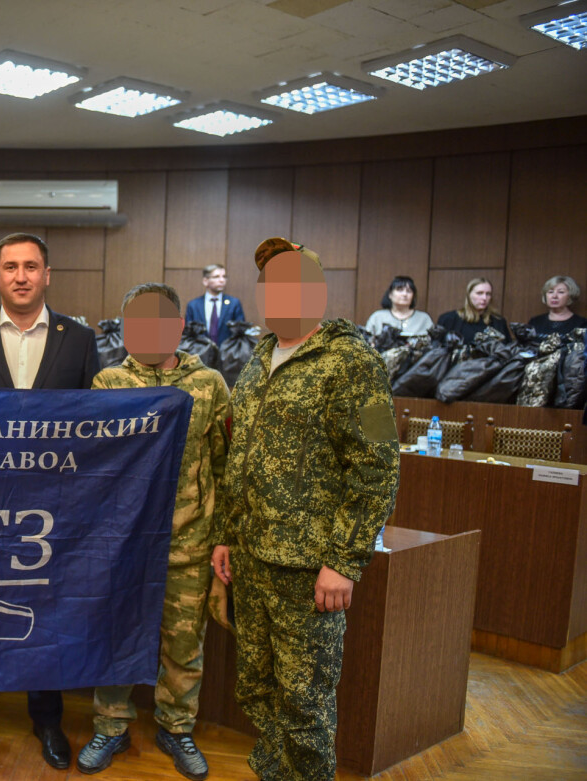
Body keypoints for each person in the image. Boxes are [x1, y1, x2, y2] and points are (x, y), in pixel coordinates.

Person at [210, 237, 399, 781]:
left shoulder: (355, 362)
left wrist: (344, 561)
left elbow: (379, 465)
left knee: (304, 706)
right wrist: (226, 534)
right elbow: (240, 455)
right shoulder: (260, 357)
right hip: (252, 560)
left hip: (308, 571)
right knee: (257, 689)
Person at [0, 232, 100, 771]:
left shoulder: (79, 339)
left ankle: (48, 720)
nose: (21, 276)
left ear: (47, 275)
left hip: (53, 507)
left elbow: (93, 423)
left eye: (31, 266)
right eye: (10, 267)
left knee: (45, 610)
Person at [78, 283, 229, 781]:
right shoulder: (109, 383)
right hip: (125, 544)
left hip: (190, 542)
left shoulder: (209, 384)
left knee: (184, 646)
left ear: (179, 326)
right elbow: (96, 466)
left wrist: (223, 536)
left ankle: (176, 727)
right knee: (117, 636)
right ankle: (110, 726)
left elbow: (225, 465)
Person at [436, 277, 513, 344]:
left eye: (488, 294)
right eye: (479, 293)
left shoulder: (498, 322)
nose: (484, 298)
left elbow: (506, 349)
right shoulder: (449, 319)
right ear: (469, 295)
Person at [184, 264, 245, 344]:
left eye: (224, 276)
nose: (222, 280)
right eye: (216, 277)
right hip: (200, 350)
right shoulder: (193, 305)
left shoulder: (234, 303)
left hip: (227, 350)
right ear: (205, 281)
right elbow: (188, 334)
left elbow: (241, 333)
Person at [364, 276, 433, 336]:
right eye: (400, 290)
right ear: (390, 294)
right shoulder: (377, 317)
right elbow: (365, 341)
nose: (404, 294)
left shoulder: (424, 319)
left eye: (408, 291)